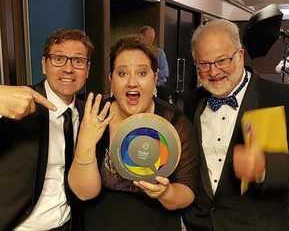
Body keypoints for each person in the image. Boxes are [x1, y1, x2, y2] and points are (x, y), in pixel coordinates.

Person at [181, 19, 289, 231]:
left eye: (222, 61)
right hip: (200, 224)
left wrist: (265, 165)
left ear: (240, 55)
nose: (214, 72)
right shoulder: (191, 102)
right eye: (204, 64)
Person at [68, 35, 199, 231]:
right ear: (111, 80)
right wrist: (85, 143)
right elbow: (84, 193)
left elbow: (187, 193)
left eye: (142, 73)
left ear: (155, 78)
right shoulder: (95, 115)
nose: (132, 82)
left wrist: (166, 192)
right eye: (122, 73)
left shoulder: (175, 122)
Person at [0, 28, 94, 230]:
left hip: (69, 224)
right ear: (44, 65)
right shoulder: (18, 104)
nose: (68, 69)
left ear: (87, 69)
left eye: (78, 61)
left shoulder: (88, 112)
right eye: (58, 59)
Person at [139, 26, 170, 101]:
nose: (151, 40)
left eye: (152, 37)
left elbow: (165, 73)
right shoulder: (135, 53)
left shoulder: (159, 53)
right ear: (141, 37)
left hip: (158, 90)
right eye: (148, 37)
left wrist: (148, 74)